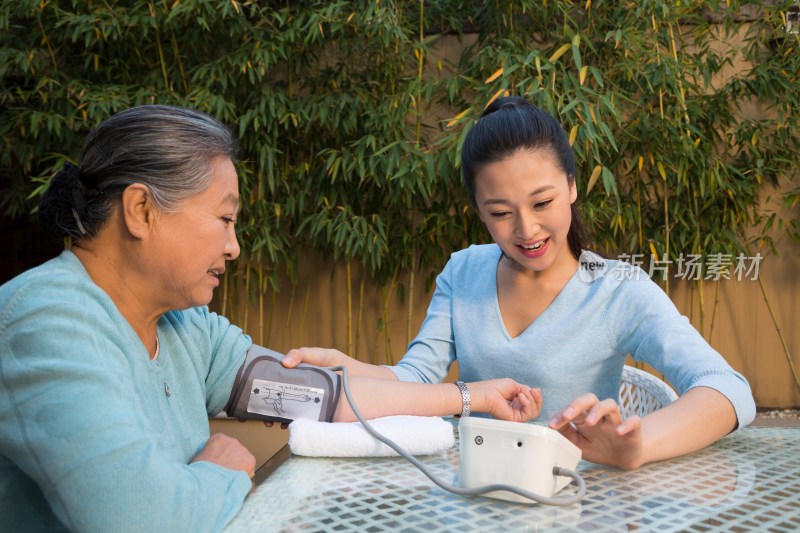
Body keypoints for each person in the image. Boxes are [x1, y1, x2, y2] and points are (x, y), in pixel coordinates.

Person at [0, 105, 541, 532]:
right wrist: (223, 470)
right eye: (224, 218)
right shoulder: (46, 320)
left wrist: (470, 397)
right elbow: (140, 518)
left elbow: (320, 395)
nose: (235, 247)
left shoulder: (186, 328)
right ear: (142, 210)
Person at [283, 95, 757, 471]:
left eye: (542, 202)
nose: (526, 230)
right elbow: (417, 379)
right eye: (501, 214)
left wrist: (637, 446)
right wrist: (354, 369)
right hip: (472, 495)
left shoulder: (617, 289)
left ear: (572, 186)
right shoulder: (463, 272)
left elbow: (726, 388)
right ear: (479, 211)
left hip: (579, 504)